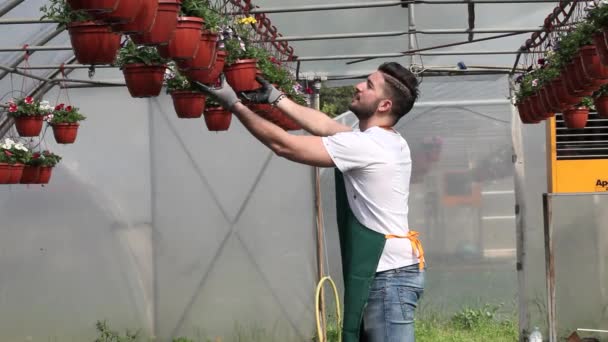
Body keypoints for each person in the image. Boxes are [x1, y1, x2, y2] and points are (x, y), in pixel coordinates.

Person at [197, 62, 425, 342]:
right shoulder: (388, 140)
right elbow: (326, 126)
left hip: (389, 276)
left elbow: (285, 145)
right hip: (392, 271)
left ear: (384, 104)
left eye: (369, 85)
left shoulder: (367, 145)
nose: (358, 86)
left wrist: (234, 104)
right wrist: (276, 99)